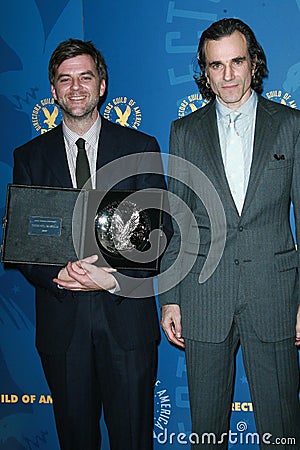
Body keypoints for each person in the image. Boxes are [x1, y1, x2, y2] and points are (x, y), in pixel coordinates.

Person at [13, 38, 172, 450]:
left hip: (125, 322)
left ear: (102, 85)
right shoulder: (29, 156)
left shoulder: (140, 148)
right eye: (65, 79)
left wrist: (112, 279)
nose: (76, 87)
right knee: (74, 440)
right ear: (53, 91)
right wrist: (58, 275)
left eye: (86, 76)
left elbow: (158, 235)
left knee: (132, 440)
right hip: (62, 326)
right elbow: (22, 238)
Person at [160, 18, 300, 449]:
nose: (227, 76)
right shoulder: (185, 132)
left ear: (253, 63)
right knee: (205, 434)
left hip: (275, 297)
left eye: (236, 62)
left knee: (283, 433)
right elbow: (177, 221)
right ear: (204, 71)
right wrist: (171, 297)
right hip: (205, 297)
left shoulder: (291, 126)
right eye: (215, 65)